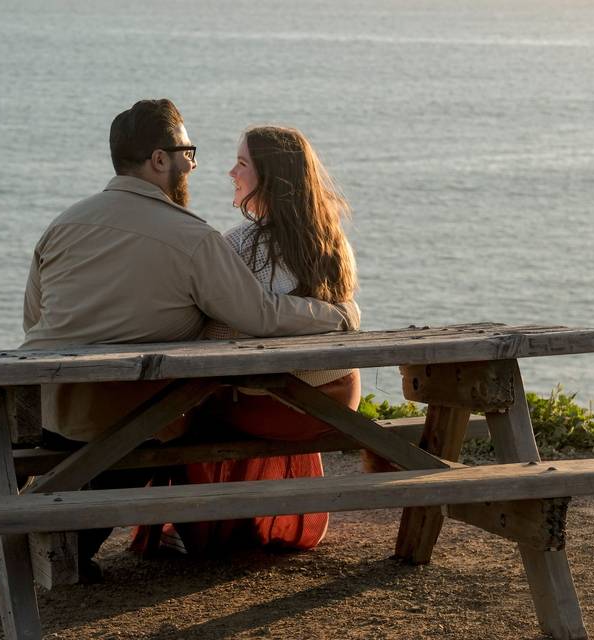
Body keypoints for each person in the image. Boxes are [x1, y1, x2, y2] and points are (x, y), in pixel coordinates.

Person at [20, 100, 359, 574]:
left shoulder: (61, 225)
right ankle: (73, 547)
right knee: (167, 417)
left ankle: (43, 542)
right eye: (188, 151)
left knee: (121, 431)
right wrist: (334, 314)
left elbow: (32, 319)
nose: (195, 165)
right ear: (160, 160)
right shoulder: (193, 238)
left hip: (50, 409)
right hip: (136, 419)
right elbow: (260, 314)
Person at [172, 125, 361, 554]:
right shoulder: (332, 240)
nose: (230, 172)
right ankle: (271, 520)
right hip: (336, 400)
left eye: (241, 163)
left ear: (269, 178)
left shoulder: (238, 246)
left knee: (187, 412)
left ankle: (206, 529)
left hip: (276, 405)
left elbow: (218, 332)